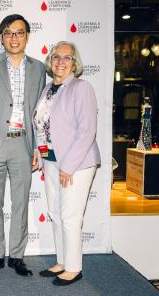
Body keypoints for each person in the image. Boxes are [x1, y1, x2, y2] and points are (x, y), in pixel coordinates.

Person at [0, 14, 46, 277]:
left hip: (23, 144)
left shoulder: (39, 68)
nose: (14, 38)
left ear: (27, 36)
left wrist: (39, 147)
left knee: (21, 203)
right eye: (8, 33)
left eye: (19, 32)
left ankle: (17, 255)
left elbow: (40, 112)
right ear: (1, 37)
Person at [33, 41, 100, 286]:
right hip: (50, 160)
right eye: (56, 57)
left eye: (67, 57)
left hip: (76, 164)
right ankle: (62, 261)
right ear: (51, 61)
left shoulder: (81, 88)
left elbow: (87, 131)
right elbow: (42, 125)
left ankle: (74, 268)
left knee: (70, 216)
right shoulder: (48, 88)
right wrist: (38, 153)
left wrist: (68, 166)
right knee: (55, 213)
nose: (61, 61)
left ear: (75, 62)